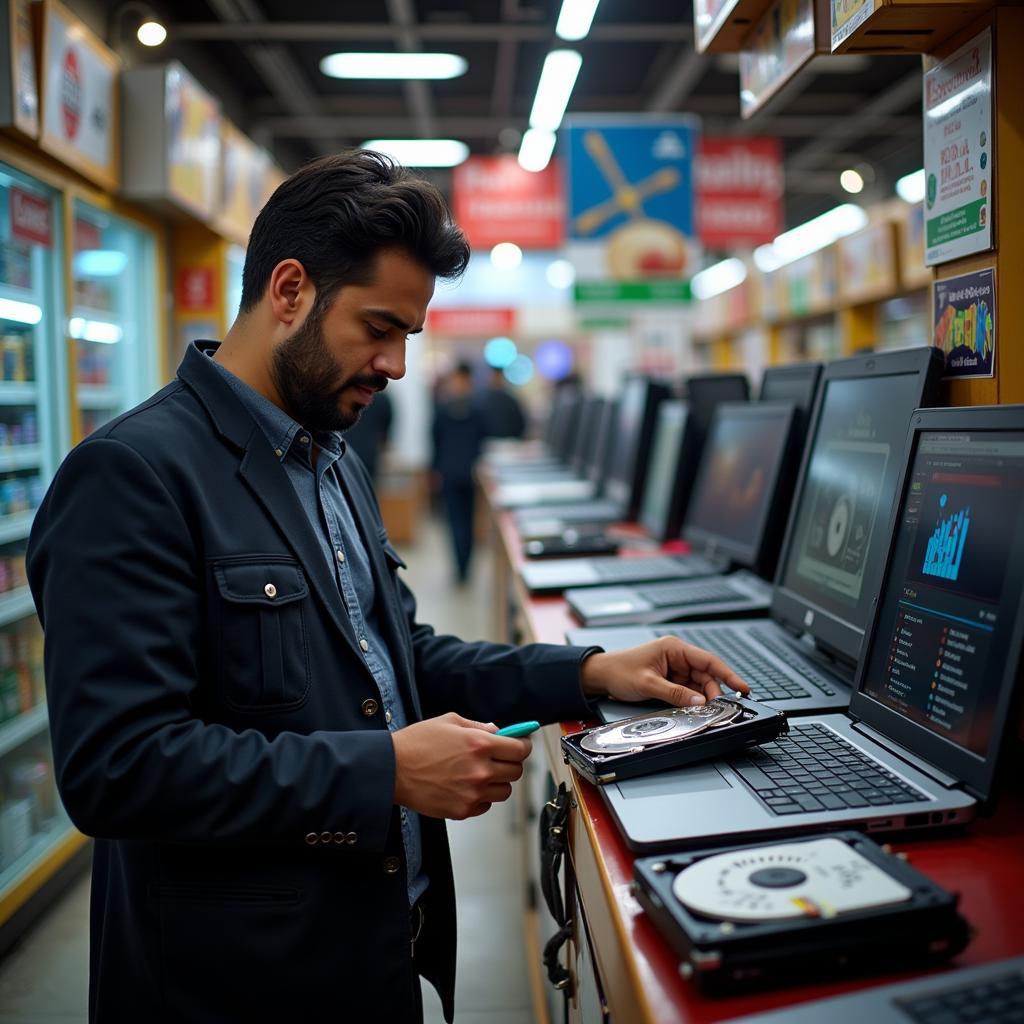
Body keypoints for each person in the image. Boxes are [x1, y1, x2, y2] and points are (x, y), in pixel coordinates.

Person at [26, 150, 749, 1024]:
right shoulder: (133, 474)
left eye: (408, 335)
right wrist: (384, 772)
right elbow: (119, 769)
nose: (397, 365)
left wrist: (590, 674)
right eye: (378, 328)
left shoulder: (330, 460)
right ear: (289, 290)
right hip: (238, 985)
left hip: (369, 946)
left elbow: (397, 656)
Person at [432, 362, 486, 583]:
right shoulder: (445, 410)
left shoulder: (475, 409)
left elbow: (483, 441)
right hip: (451, 473)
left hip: (468, 474)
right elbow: (435, 441)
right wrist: (434, 470)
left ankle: (464, 566)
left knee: (466, 522)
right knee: (455, 522)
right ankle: (460, 567)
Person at [343, 383, 393, 483]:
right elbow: (385, 433)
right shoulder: (382, 399)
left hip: (343, 454)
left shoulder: (346, 396)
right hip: (368, 456)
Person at [478, 365, 527, 439]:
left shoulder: (510, 400)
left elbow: (519, 423)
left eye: (497, 376)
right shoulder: (482, 399)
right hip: (487, 441)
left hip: (508, 441)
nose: (495, 379)